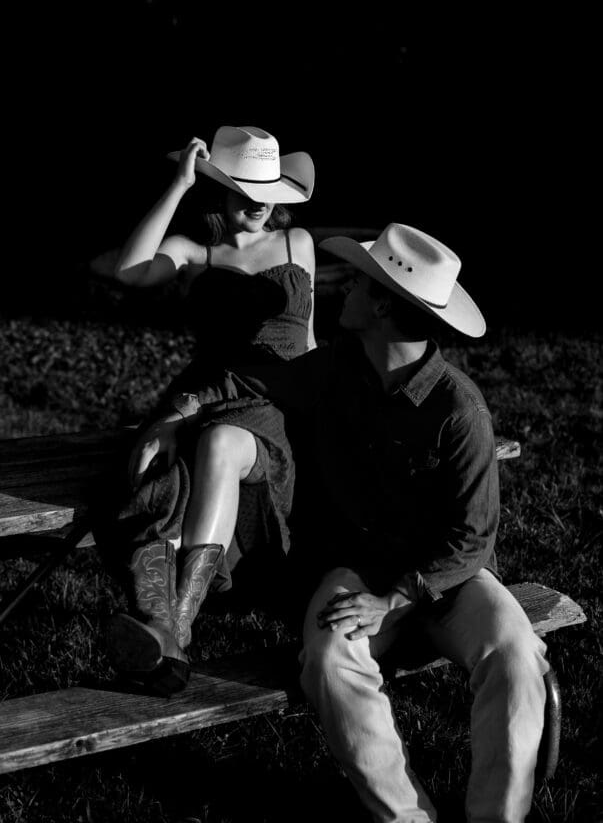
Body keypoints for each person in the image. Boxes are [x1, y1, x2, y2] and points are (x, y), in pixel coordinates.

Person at [163, 222, 549, 822]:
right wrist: (177, 412)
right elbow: (255, 379)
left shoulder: (459, 409)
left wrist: (396, 599)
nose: (343, 289)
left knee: (517, 653)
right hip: (360, 567)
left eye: (361, 284)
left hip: (450, 579)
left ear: (385, 309)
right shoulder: (338, 365)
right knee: (326, 656)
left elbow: (473, 539)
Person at [103, 125, 316, 694]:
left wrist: (329, 404)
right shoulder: (197, 250)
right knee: (162, 472)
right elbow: (130, 271)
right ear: (218, 188)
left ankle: (173, 632)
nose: (258, 199)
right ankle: (169, 639)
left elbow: (309, 340)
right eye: (243, 187)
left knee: (221, 443)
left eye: (266, 187)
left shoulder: (300, 246)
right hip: (204, 395)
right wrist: (177, 185)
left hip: (274, 399)